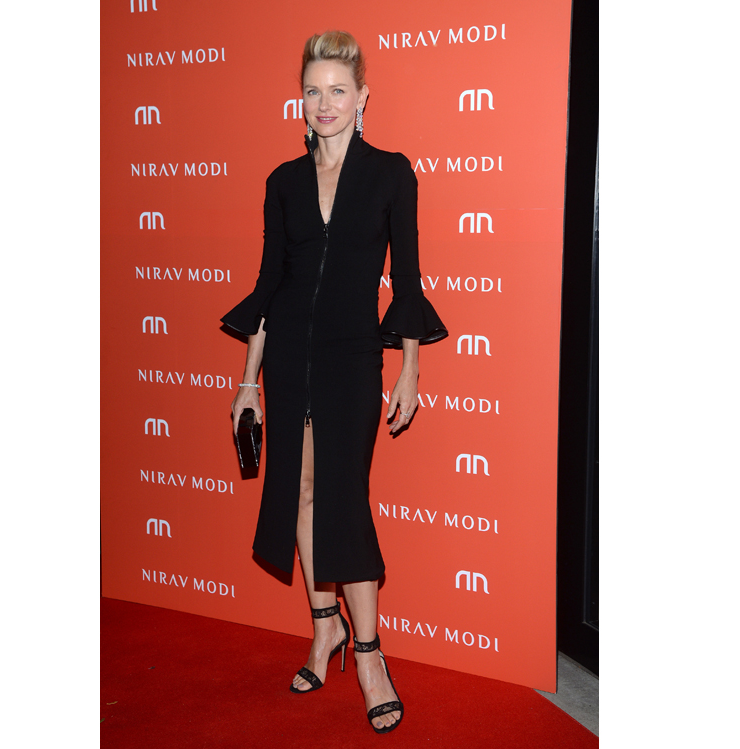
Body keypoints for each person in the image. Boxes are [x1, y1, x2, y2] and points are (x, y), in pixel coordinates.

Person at [221, 30, 447, 734]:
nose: (325, 103)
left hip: (352, 356)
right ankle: (326, 629)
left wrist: (409, 366)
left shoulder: (391, 174)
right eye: (313, 91)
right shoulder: (282, 182)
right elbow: (269, 285)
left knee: (343, 496)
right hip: (288, 355)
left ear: (362, 98)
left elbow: (406, 281)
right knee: (298, 487)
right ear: (301, 98)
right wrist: (249, 382)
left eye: (338, 91)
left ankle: (371, 655)